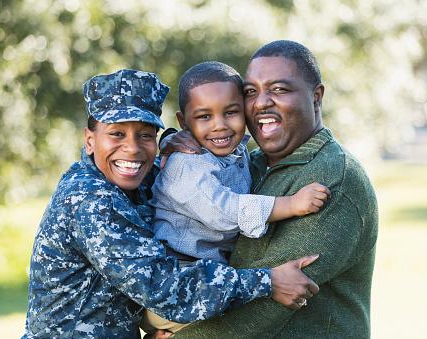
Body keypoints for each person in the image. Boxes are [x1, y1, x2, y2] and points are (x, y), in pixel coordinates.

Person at [22, 68, 321, 339]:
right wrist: (267, 281)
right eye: (116, 134)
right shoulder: (91, 199)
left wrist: (172, 141)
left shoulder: (137, 177)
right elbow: (162, 287)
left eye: (145, 135)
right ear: (89, 141)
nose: (132, 148)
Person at [165, 40, 378, 338]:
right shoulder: (248, 165)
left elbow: (264, 305)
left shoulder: (332, 177)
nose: (261, 102)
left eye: (279, 89)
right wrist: (172, 143)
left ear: (316, 97)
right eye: (251, 92)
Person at [140, 62, 330, 334]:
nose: (220, 126)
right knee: (243, 316)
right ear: (184, 123)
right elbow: (225, 211)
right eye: (205, 117)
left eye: (231, 112)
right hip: (179, 282)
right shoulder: (186, 166)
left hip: (210, 276)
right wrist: (290, 204)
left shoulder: (235, 149)